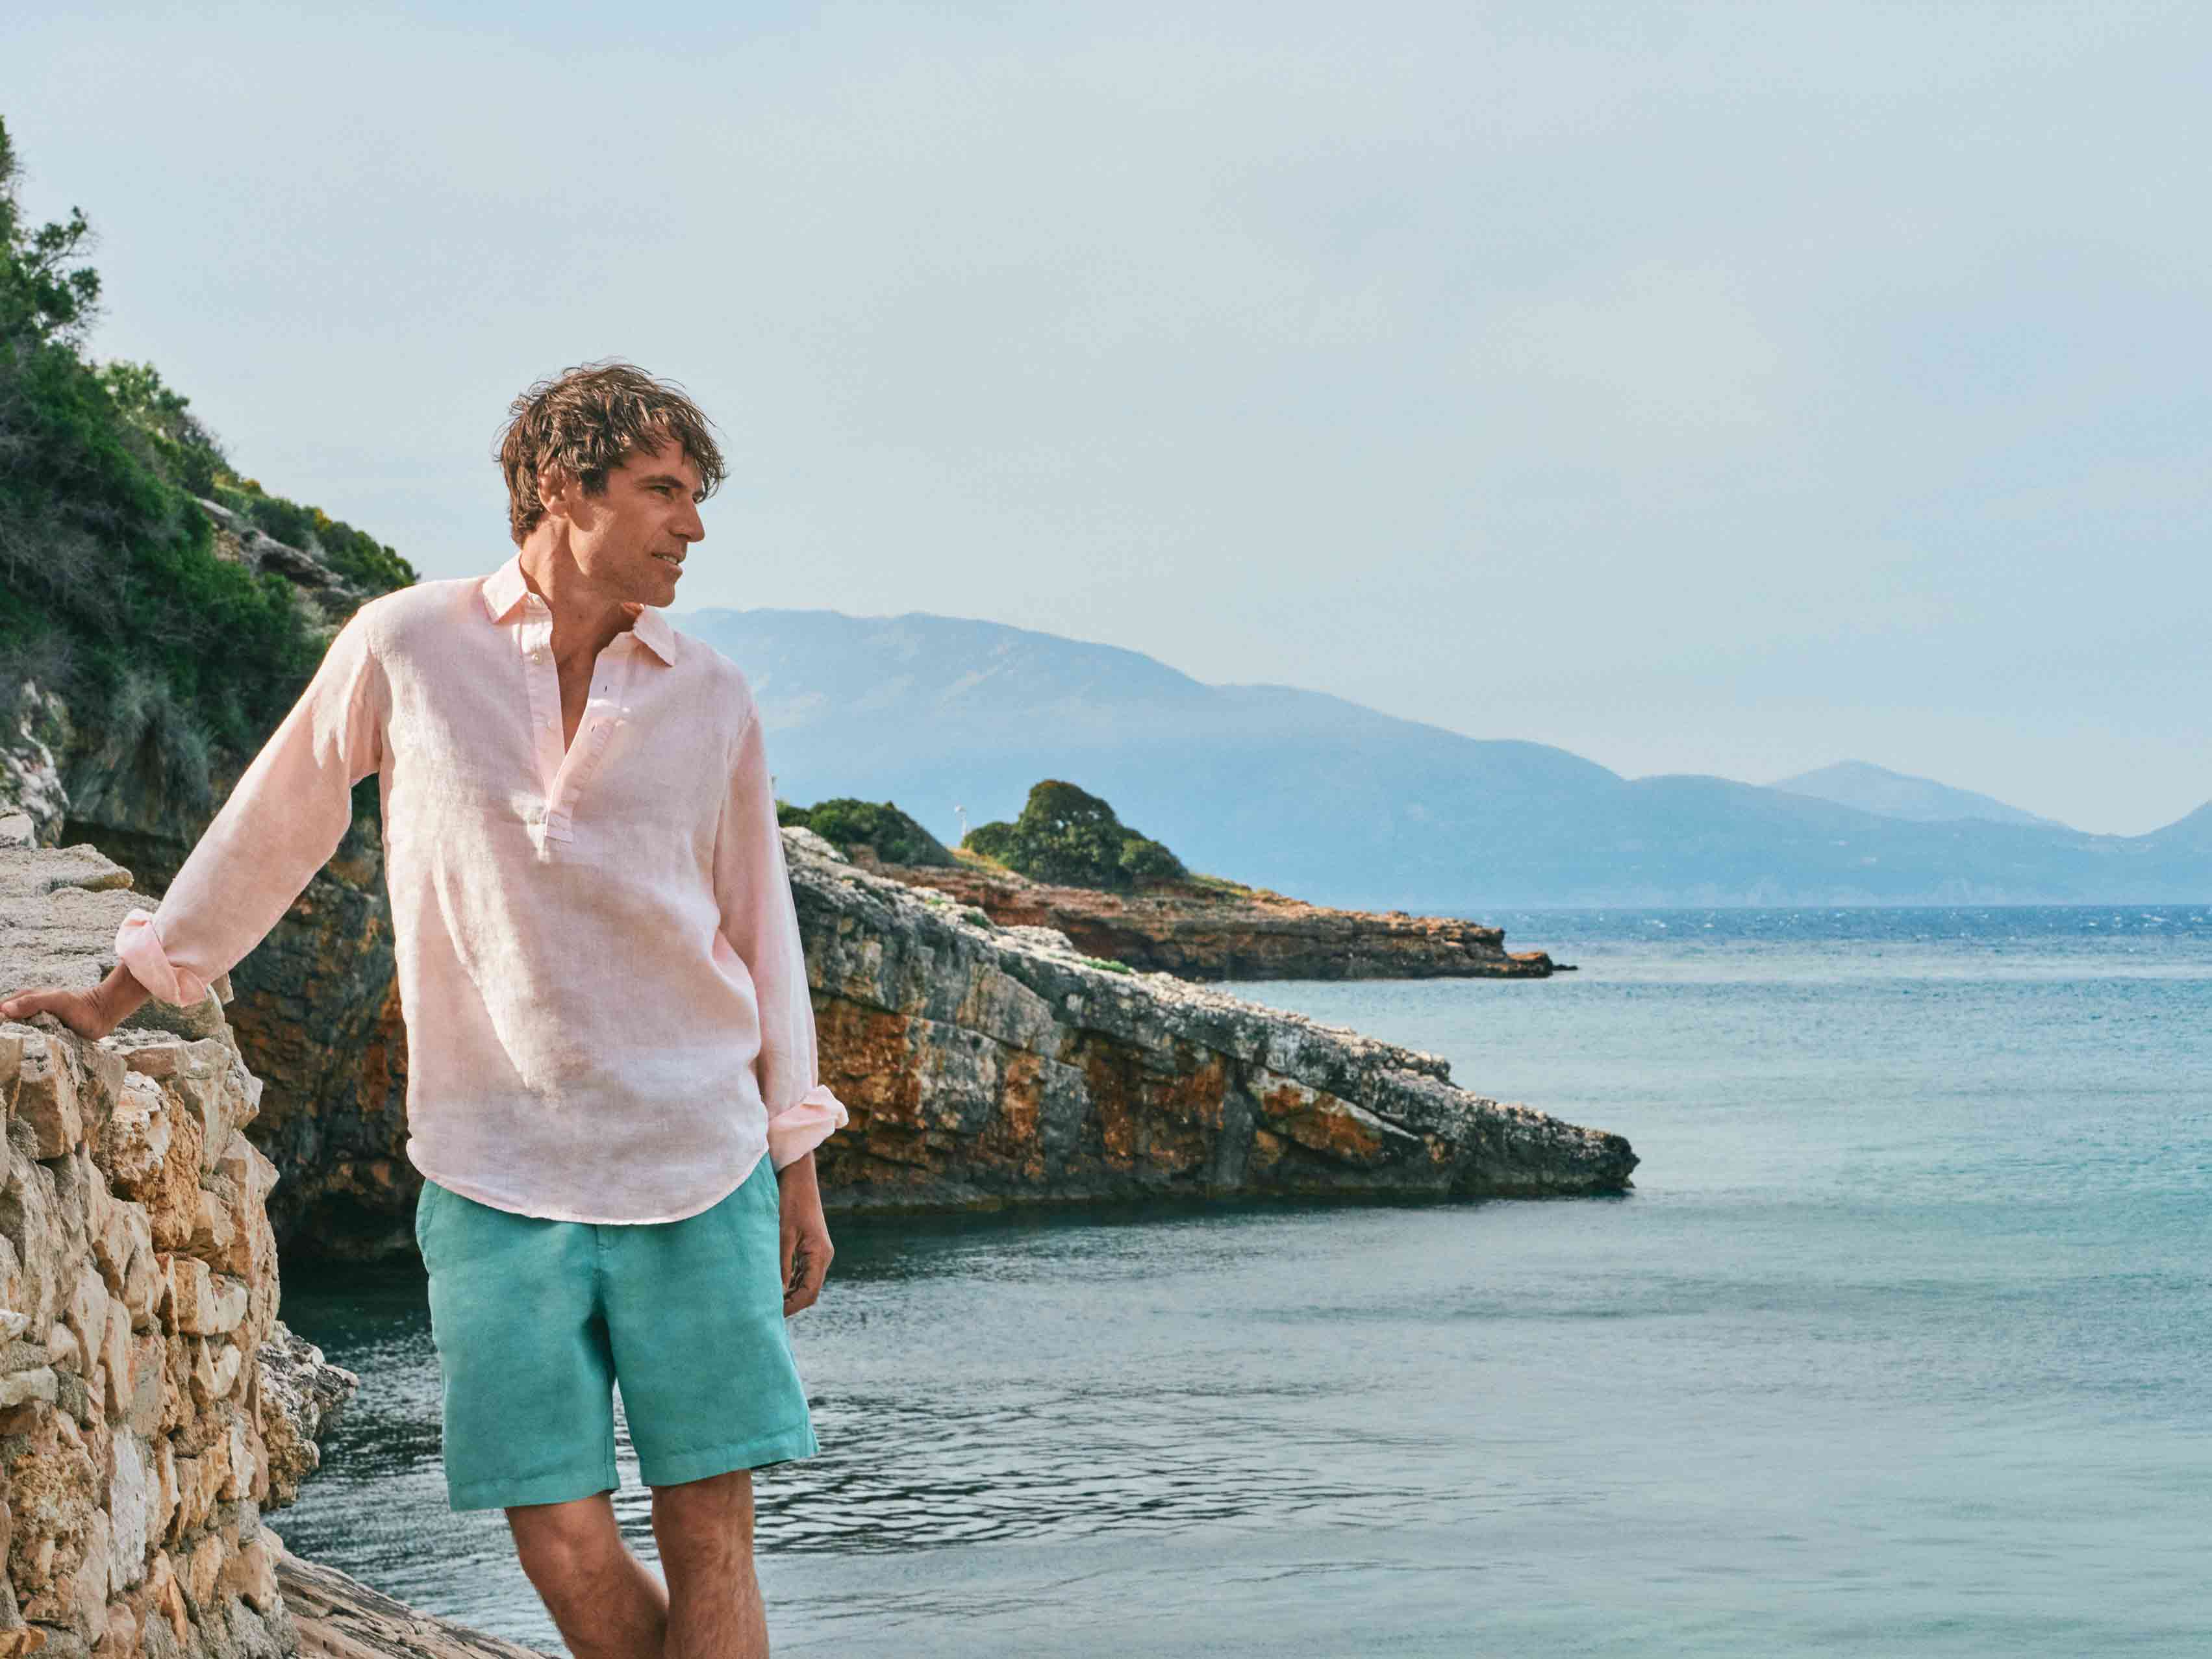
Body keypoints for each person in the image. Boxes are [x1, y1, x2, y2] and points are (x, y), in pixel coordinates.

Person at [1, 359, 846, 1659]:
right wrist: (126, 992)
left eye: (695, 498)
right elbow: (277, 821)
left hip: (698, 1162)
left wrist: (795, 1161)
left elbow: (759, 929)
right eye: (663, 491)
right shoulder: (406, 644)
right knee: (558, 1537)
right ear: (565, 486)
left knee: (709, 1530)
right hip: (492, 1169)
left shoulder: (711, 696)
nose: (693, 525)